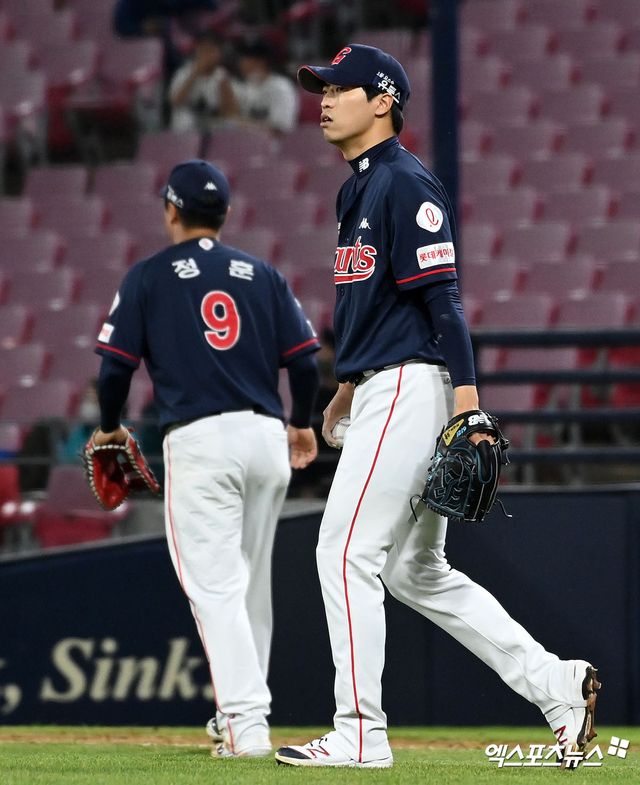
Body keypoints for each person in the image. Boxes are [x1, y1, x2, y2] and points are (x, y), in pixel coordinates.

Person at [275, 44, 600, 768]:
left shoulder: (404, 182)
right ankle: (558, 686)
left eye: (339, 89)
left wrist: (467, 407)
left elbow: (442, 301)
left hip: (413, 388)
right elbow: (377, 306)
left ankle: (360, 731)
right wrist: (348, 387)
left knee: (344, 550)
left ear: (383, 99)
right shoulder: (355, 189)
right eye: (320, 89)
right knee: (415, 570)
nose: (323, 100)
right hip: (381, 385)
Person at [92, 158, 321, 758]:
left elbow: (114, 368)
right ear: (223, 214)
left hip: (202, 442)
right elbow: (303, 361)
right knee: (251, 589)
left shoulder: (149, 276)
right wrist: (300, 424)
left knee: (216, 590)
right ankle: (235, 715)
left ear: (171, 208)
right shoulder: (261, 272)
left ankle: (247, 725)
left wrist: (110, 427)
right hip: (266, 438)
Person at [168, 31, 237, 133]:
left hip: (213, 130)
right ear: (197, 50)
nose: (207, 55)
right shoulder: (183, 72)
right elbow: (175, 102)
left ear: (220, 53)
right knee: (186, 120)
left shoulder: (223, 76)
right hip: (185, 131)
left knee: (231, 126)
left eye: (212, 51)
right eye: (204, 50)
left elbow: (230, 113)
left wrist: (224, 88)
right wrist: (194, 75)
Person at [229, 40, 299, 135]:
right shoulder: (245, 86)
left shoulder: (281, 88)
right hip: (245, 145)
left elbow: (280, 130)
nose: (241, 62)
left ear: (261, 62)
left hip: (276, 147)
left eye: (246, 58)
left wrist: (242, 125)